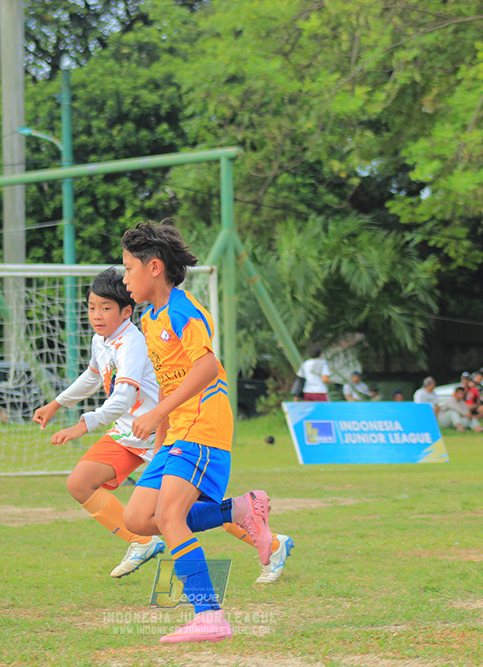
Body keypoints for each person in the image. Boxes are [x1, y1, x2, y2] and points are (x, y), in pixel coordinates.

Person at [120, 220, 290, 643]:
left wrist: (158, 412)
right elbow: (168, 381)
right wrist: (160, 432)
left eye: (128, 268)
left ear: (154, 267)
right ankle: (240, 510)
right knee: (139, 518)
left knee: (170, 516)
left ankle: (209, 615)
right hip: (178, 430)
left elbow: (207, 366)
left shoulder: (182, 310)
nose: (124, 278)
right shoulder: (148, 319)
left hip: (204, 422)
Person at [32, 269, 167, 578]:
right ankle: (140, 541)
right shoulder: (102, 340)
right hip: (127, 433)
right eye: (92, 307)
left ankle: (259, 530)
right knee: (79, 482)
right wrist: (56, 403)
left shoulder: (133, 345)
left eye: (105, 308)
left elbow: (122, 398)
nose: (97, 315)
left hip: (158, 433)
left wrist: (83, 424)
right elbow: (93, 376)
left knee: (184, 508)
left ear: (126, 311)